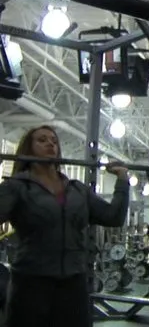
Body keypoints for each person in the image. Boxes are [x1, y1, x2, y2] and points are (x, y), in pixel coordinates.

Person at [0, 125, 130, 327]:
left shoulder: (77, 190)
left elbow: (113, 218)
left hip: (73, 283)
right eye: (41, 140)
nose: (50, 143)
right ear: (28, 149)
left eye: (53, 140)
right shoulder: (17, 187)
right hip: (31, 283)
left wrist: (123, 180)